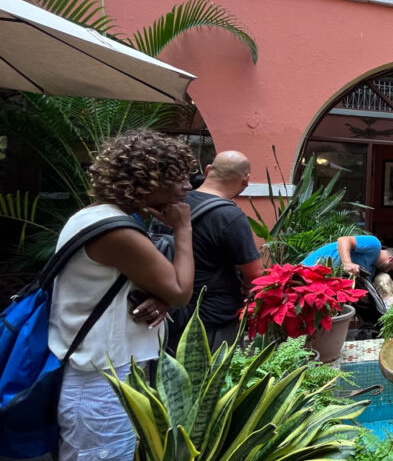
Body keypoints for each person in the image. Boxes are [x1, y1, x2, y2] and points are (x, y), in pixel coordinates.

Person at [50, 130, 196, 461]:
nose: (188, 186)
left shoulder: (95, 216)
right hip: (100, 382)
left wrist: (160, 297)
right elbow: (181, 291)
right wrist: (184, 229)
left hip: (101, 374)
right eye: (178, 178)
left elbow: (127, 283)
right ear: (147, 179)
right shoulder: (117, 231)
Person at [170, 150, 264, 350]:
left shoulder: (175, 202)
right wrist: (247, 288)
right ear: (245, 181)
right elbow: (255, 273)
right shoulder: (229, 216)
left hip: (171, 311)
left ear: (207, 170)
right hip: (212, 318)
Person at [301, 235, 393, 279]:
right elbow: (343, 240)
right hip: (310, 267)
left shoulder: (371, 271)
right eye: (389, 268)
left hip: (323, 279)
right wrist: (347, 263)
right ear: (390, 259)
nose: (386, 271)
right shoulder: (375, 245)